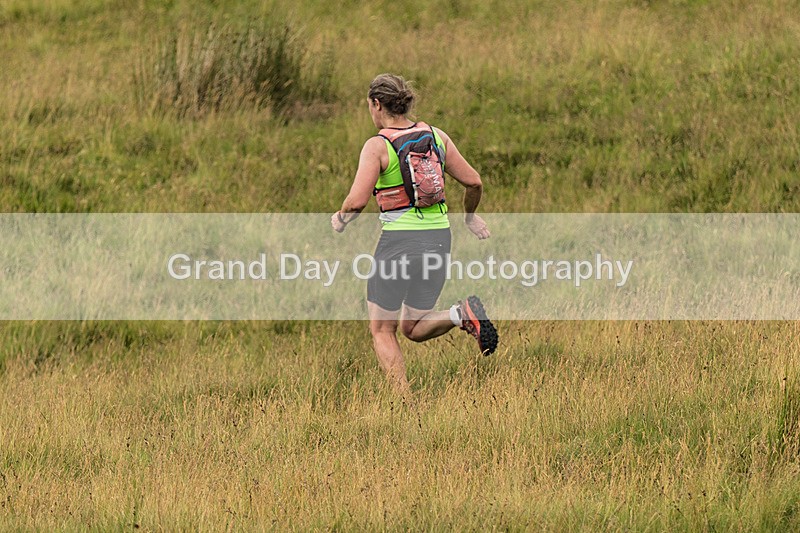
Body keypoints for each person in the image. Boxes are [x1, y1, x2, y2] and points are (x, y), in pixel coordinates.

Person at [331, 73, 498, 392]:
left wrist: (340, 219)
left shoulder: (377, 146)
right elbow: (474, 182)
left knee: (382, 329)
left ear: (377, 104)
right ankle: (460, 313)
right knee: (413, 325)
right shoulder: (437, 136)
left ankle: (403, 405)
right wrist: (470, 218)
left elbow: (356, 202)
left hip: (399, 243)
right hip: (439, 238)